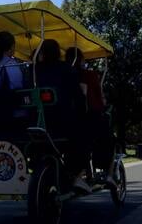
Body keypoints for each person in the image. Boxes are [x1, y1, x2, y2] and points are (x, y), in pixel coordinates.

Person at [35, 40, 90, 193]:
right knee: (84, 136)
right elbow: (78, 97)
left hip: (39, 120)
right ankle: (77, 175)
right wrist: (82, 111)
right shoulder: (66, 69)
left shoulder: (35, 70)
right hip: (62, 121)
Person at [65, 47, 115, 187]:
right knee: (108, 138)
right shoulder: (89, 75)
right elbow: (98, 99)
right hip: (88, 117)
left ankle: (84, 173)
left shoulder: (65, 75)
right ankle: (109, 175)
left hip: (65, 118)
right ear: (80, 60)